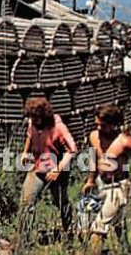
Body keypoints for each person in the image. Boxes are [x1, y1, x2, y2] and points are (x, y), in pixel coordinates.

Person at [82, 104, 131, 253]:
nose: (99, 128)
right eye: (97, 124)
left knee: (98, 227)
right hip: (101, 184)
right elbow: (93, 158)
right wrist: (91, 180)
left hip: (119, 187)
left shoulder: (125, 142)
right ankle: (126, 249)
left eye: (104, 125)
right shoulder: (94, 136)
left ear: (114, 125)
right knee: (116, 223)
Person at [18, 97, 78, 242]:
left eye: (36, 117)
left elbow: (73, 150)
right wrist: (25, 152)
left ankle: (69, 232)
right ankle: (24, 239)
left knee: (61, 202)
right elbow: (29, 135)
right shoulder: (33, 122)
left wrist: (58, 169)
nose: (33, 120)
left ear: (44, 115)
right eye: (32, 117)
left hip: (57, 171)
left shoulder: (58, 127)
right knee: (26, 201)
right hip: (38, 167)